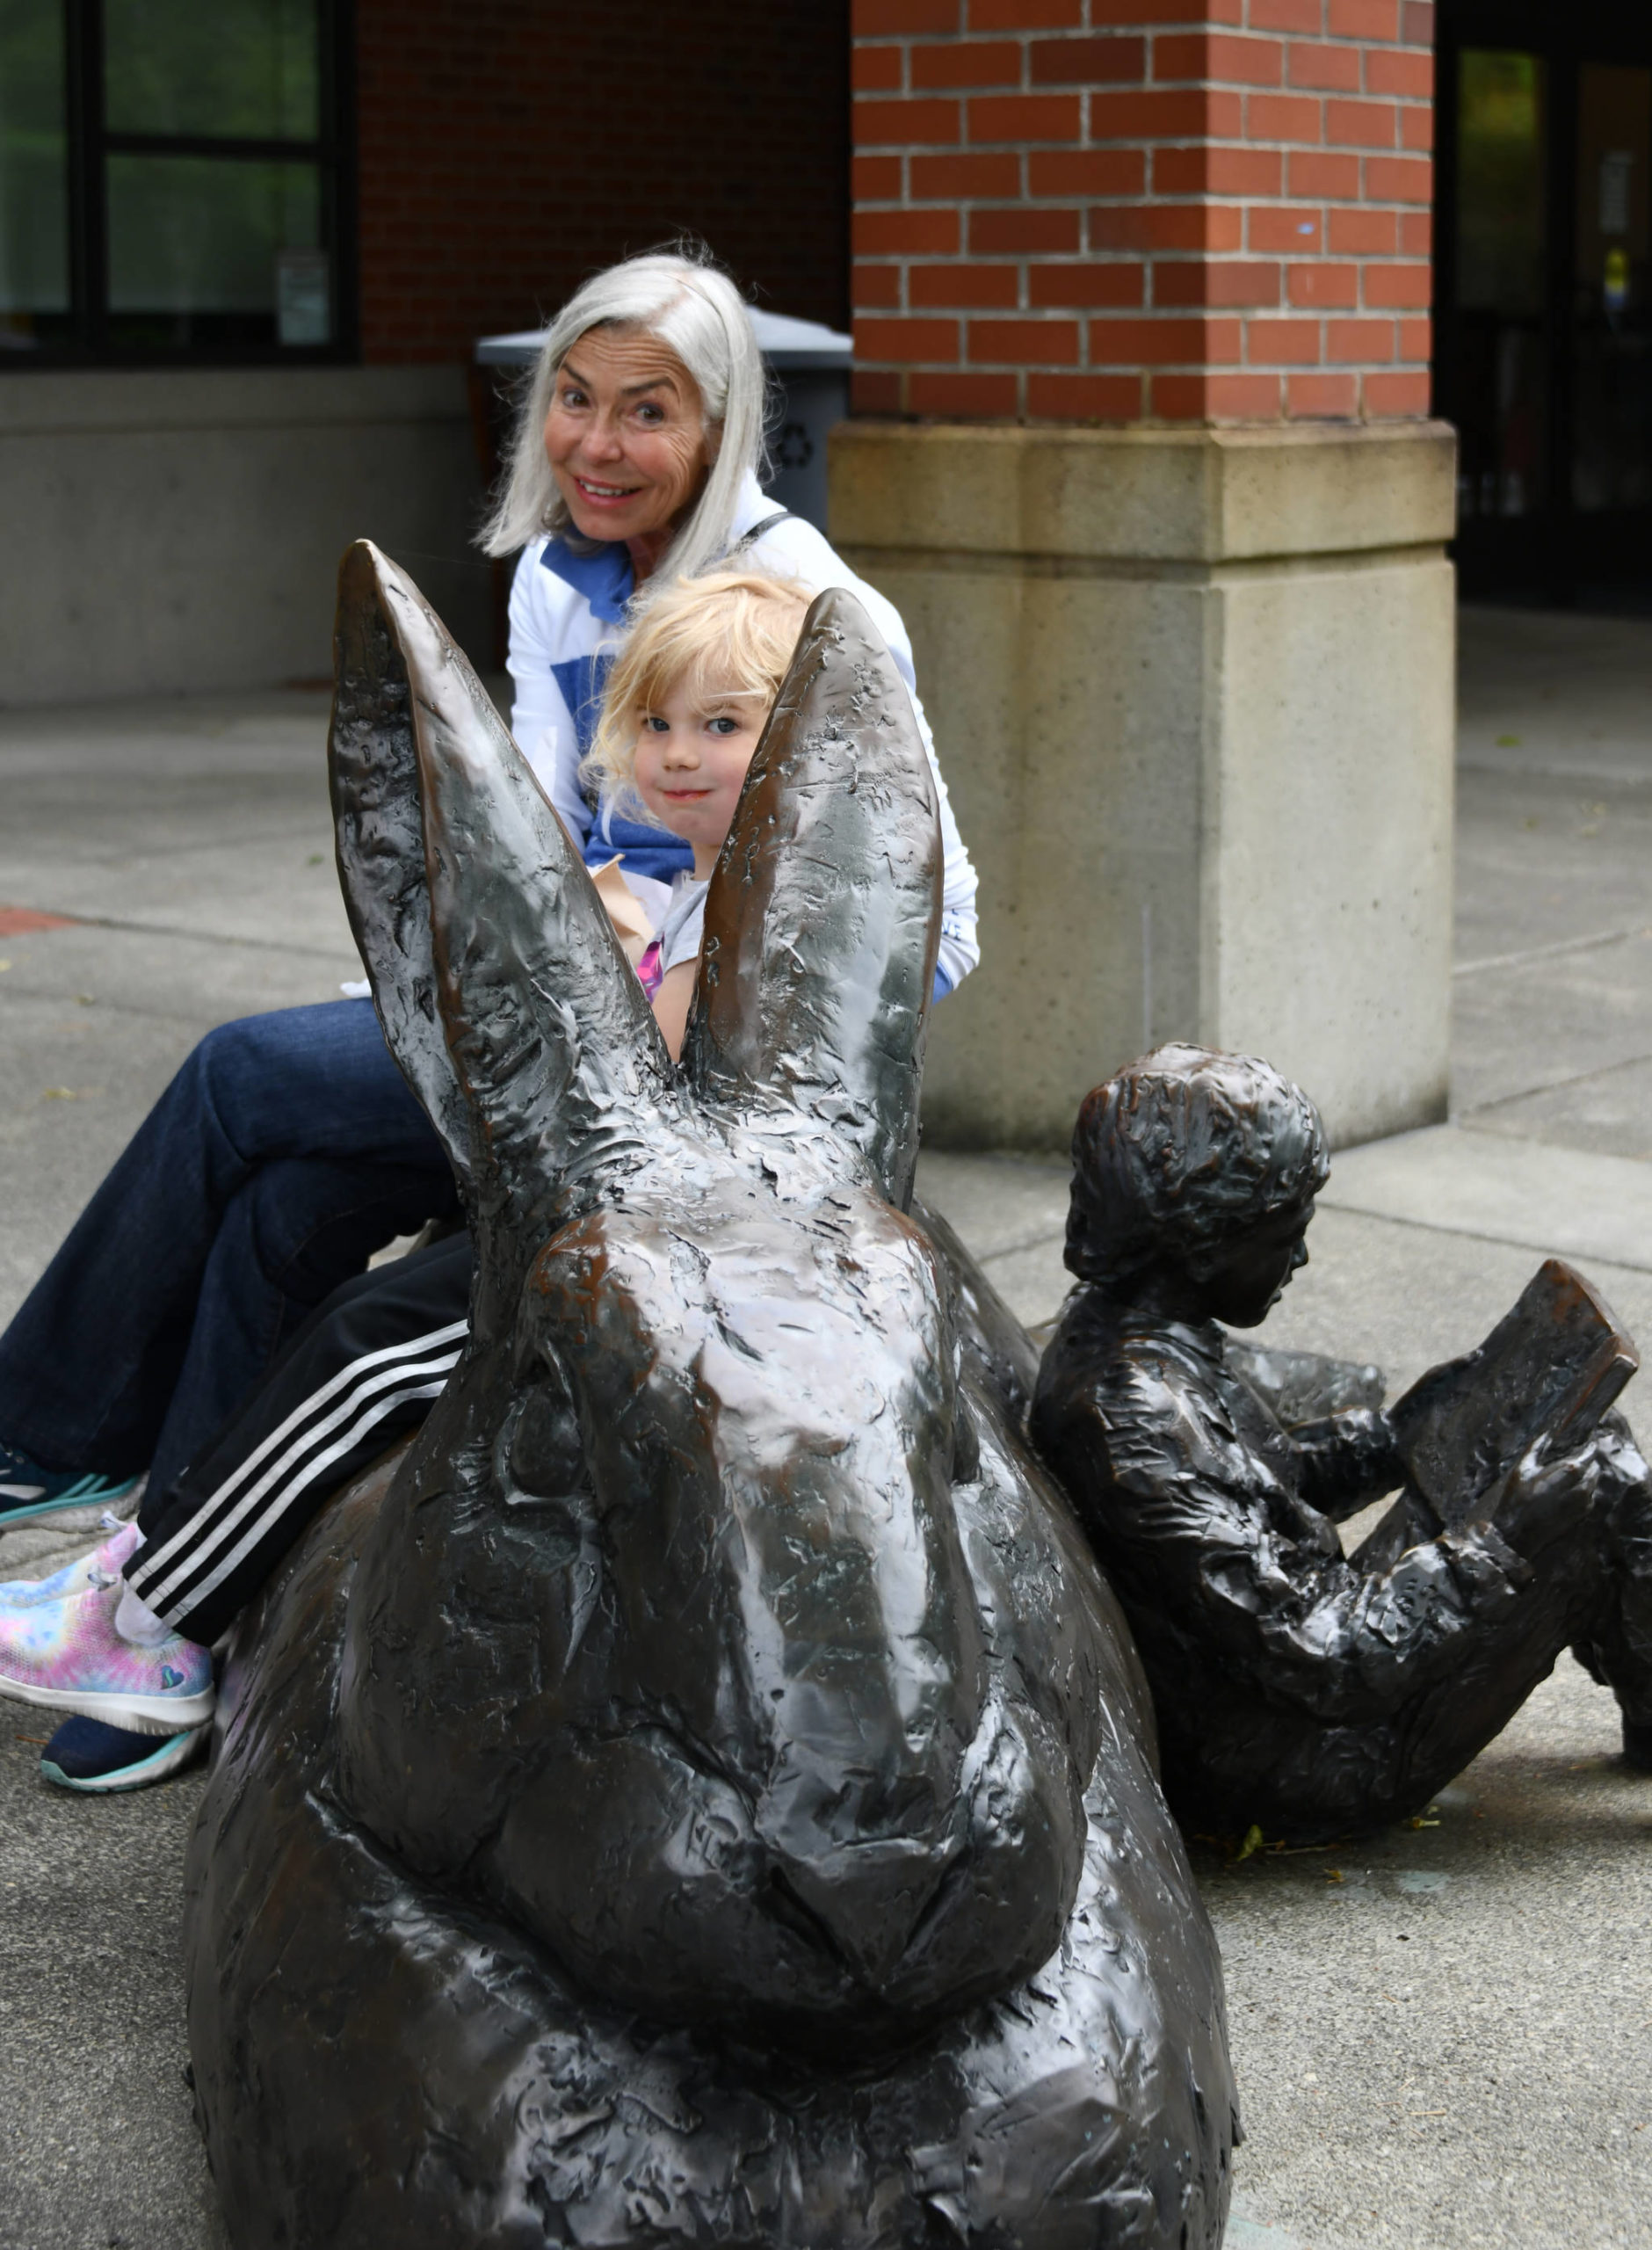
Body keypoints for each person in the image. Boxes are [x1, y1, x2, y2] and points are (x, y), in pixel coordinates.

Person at [0, 243, 979, 1784]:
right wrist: (565, 913)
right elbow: (533, 824)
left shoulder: (813, 603)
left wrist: (711, 982)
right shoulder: (551, 581)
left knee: (244, 1081)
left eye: (645, 410)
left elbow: (942, 917)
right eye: (572, 401)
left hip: (675, 1083)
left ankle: (52, 1454)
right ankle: (177, 1622)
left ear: (722, 426)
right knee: (290, 1194)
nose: (598, 442)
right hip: (549, 1016)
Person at [0, 570, 821, 1786]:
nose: (678, 755)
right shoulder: (702, 880)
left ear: (800, 740)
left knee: (366, 1347)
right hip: (608, 1212)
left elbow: (655, 1096)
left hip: (666, 1265)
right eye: (656, 724)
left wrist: (611, 963)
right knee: (295, 1214)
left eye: (720, 725)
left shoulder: (772, 904)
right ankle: (151, 1579)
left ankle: (151, 1617)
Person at [1030, 1043, 1652, 1844]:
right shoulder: (1138, 1421)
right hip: (1306, 1761)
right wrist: (1504, 1537)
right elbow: (1327, 1655)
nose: (1302, 1257)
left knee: (1582, 1439)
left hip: (1294, 1683)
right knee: (1600, 1481)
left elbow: (1264, 1487)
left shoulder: (1129, 1336)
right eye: (1283, 1234)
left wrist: (1395, 1439)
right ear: (1203, 1244)